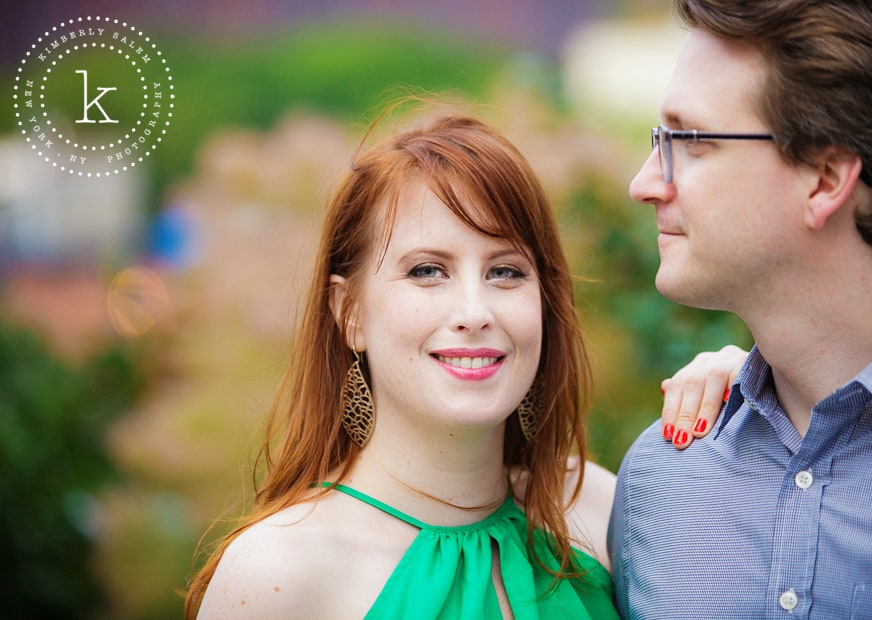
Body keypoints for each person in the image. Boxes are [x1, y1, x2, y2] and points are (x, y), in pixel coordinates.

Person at [183, 104, 743, 619]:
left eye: (506, 271)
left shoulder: (597, 510)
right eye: (427, 270)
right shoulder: (277, 575)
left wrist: (760, 402)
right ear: (349, 312)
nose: (474, 312)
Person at [611, 0, 872, 618]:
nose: (645, 183)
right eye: (659, 139)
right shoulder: (661, 477)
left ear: (824, 176)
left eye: (689, 140)